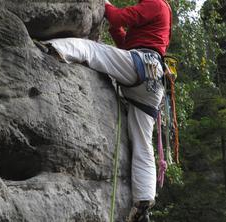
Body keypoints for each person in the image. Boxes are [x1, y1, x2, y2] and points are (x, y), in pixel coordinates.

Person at [36, 0, 172, 221]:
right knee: (142, 142)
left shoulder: (155, 3)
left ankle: (53, 48)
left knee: (91, 50)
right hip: (152, 82)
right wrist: (116, 30)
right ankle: (144, 201)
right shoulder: (161, 13)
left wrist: (106, 4)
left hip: (141, 66)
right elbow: (125, 44)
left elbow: (118, 18)